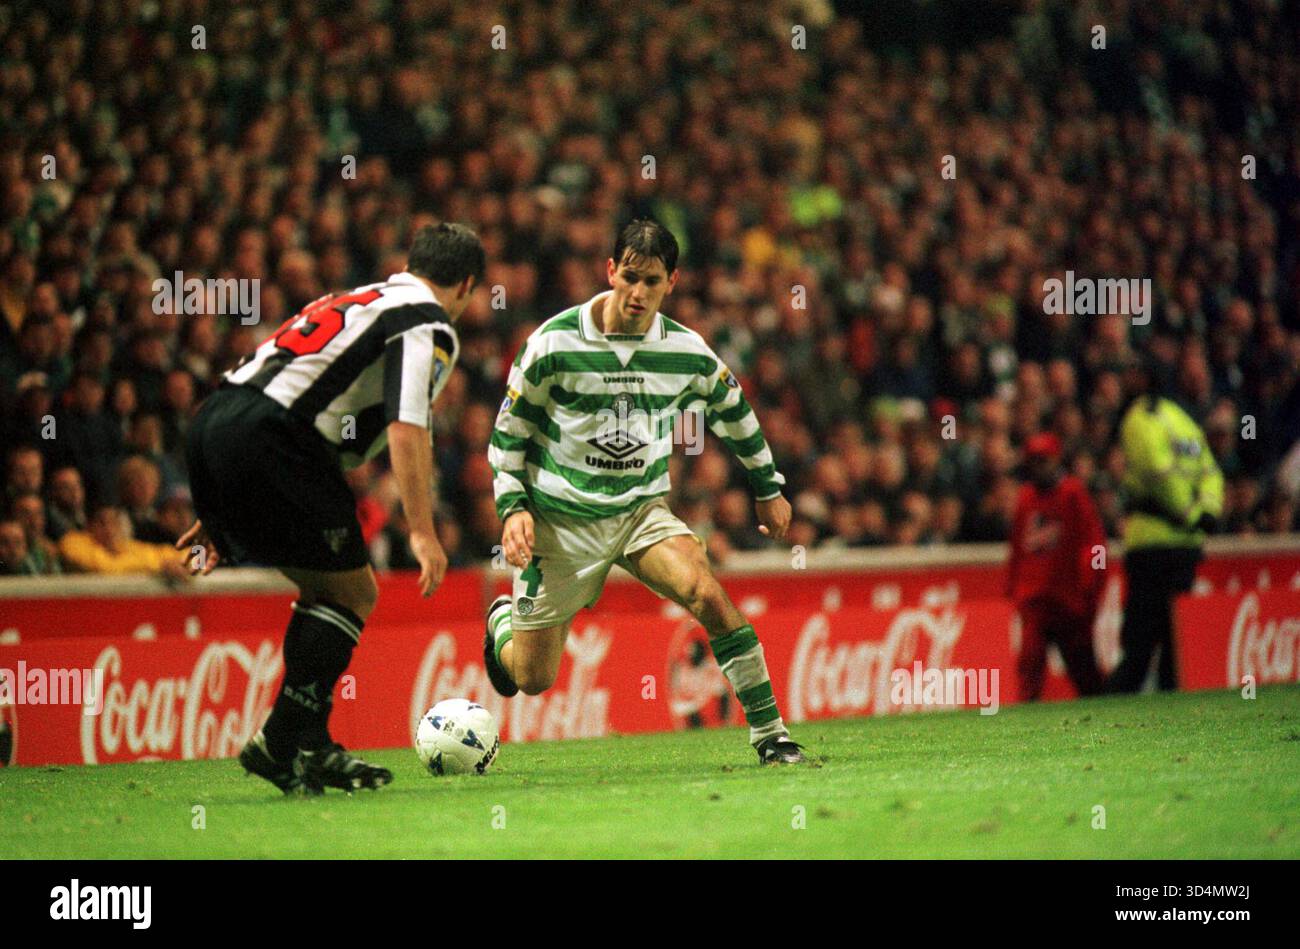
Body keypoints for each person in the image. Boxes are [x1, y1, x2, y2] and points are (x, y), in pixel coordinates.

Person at [484, 219, 806, 765]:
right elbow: (507, 436)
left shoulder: (686, 350)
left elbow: (734, 412)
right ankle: (501, 623)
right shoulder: (553, 343)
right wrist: (513, 507)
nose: (637, 293)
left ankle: (771, 734)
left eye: (651, 281)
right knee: (533, 679)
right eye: (629, 277)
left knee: (707, 592)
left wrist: (767, 487)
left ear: (671, 282)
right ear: (610, 270)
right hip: (559, 524)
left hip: (640, 513)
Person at [179, 222, 484, 794]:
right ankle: (281, 741)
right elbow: (407, 422)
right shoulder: (427, 320)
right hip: (279, 440)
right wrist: (421, 529)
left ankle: (310, 746)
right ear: (467, 284)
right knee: (355, 592)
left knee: (327, 592)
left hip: (217, 421)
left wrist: (221, 498)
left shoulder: (351, 297)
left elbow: (263, 385)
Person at [1106, 360, 1224, 692]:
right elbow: (1210, 471)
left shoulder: (1139, 418)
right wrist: (1206, 512)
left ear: (1142, 378)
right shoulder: (1184, 421)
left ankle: (1114, 709)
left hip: (1151, 543)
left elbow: (1157, 472)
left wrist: (1186, 513)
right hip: (1185, 546)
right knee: (1174, 639)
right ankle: (1170, 710)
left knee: (1140, 642)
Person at [1005, 433, 1106, 701]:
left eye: (1043, 460)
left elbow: (1094, 544)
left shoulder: (1072, 494)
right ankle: (1026, 726)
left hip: (1067, 599)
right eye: (1034, 461)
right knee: (1029, 667)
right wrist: (1013, 585)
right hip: (1036, 599)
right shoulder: (1026, 497)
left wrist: (1090, 584)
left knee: (1084, 671)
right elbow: (1018, 546)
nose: (1039, 467)